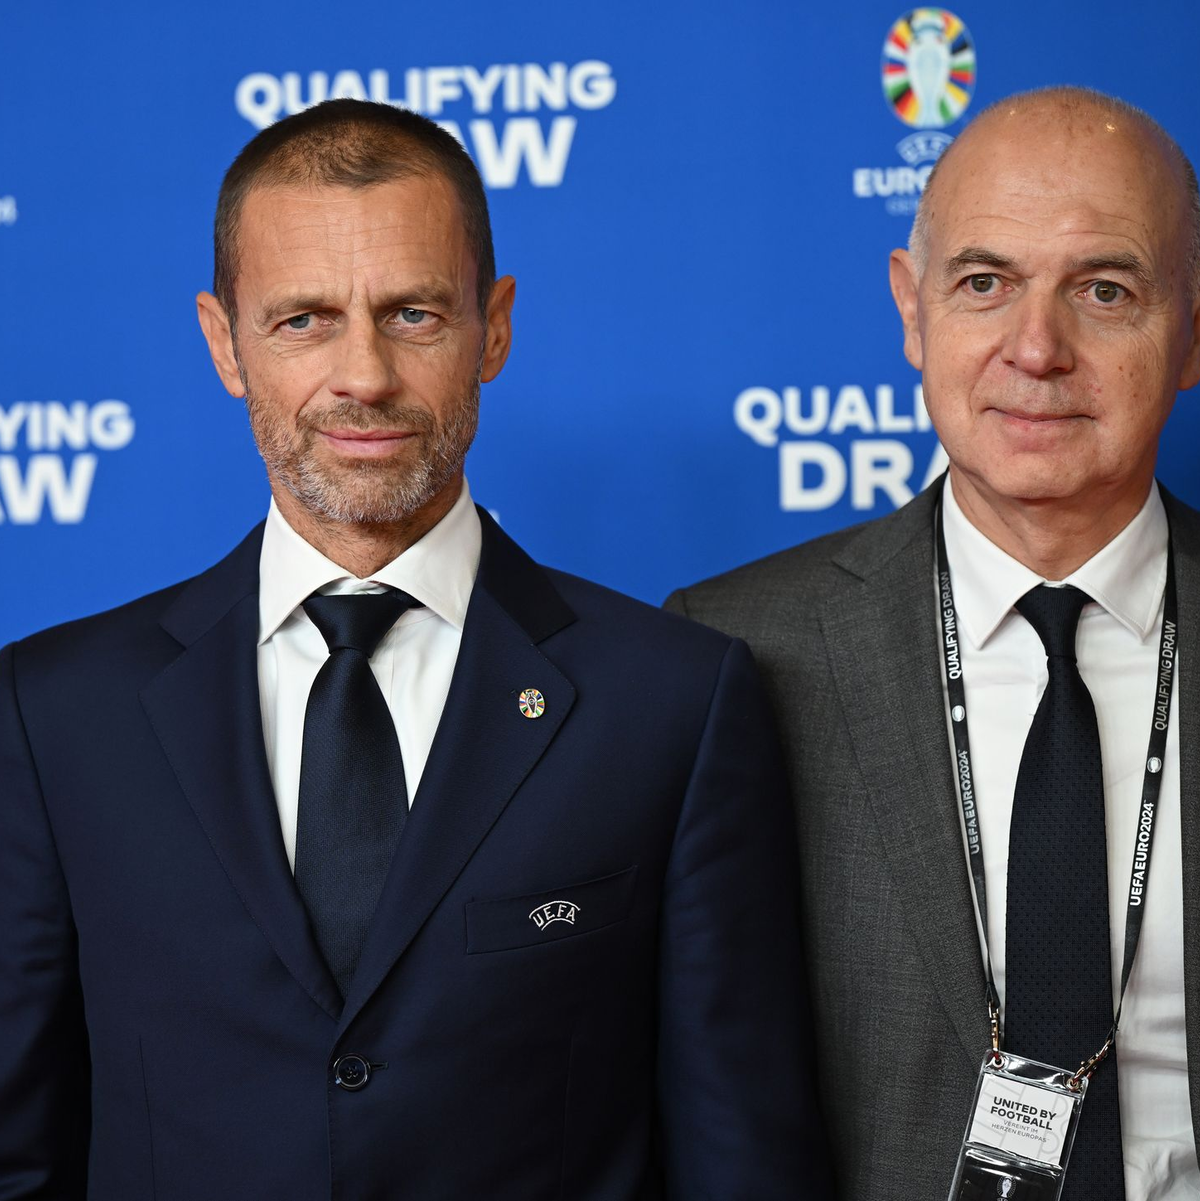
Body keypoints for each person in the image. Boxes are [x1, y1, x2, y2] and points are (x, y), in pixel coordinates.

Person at [0, 99, 828, 1199]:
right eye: (303, 320)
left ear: (494, 326)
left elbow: (743, 1163)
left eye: (414, 314)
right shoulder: (59, 716)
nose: (364, 376)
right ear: (223, 342)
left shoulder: (672, 703)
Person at [668, 86, 1200, 1200]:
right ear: (913, 311)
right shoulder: (735, 651)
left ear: (1192, 328)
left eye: (1105, 290)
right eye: (984, 283)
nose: (1037, 348)